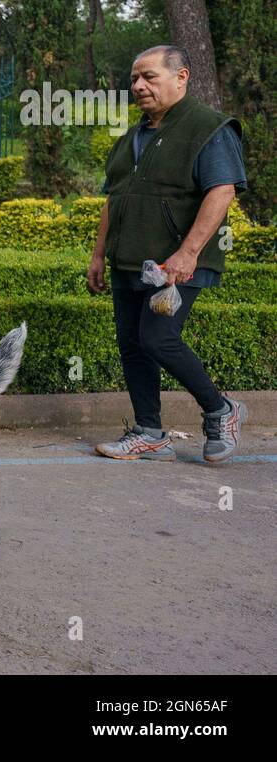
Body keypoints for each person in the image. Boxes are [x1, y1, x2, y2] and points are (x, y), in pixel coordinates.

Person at [87, 45, 248, 463]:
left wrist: (188, 252)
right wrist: (98, 254)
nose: (139, 86)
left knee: (157, 337)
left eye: (149, 77)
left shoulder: (209, 128)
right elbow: (114, 199)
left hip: (174, 263)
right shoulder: (131, 138)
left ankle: (221, 409)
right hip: (128, 259)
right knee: (132, 344)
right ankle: (149, 432)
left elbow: (222, 191)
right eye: (135, 79)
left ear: (181, 78)